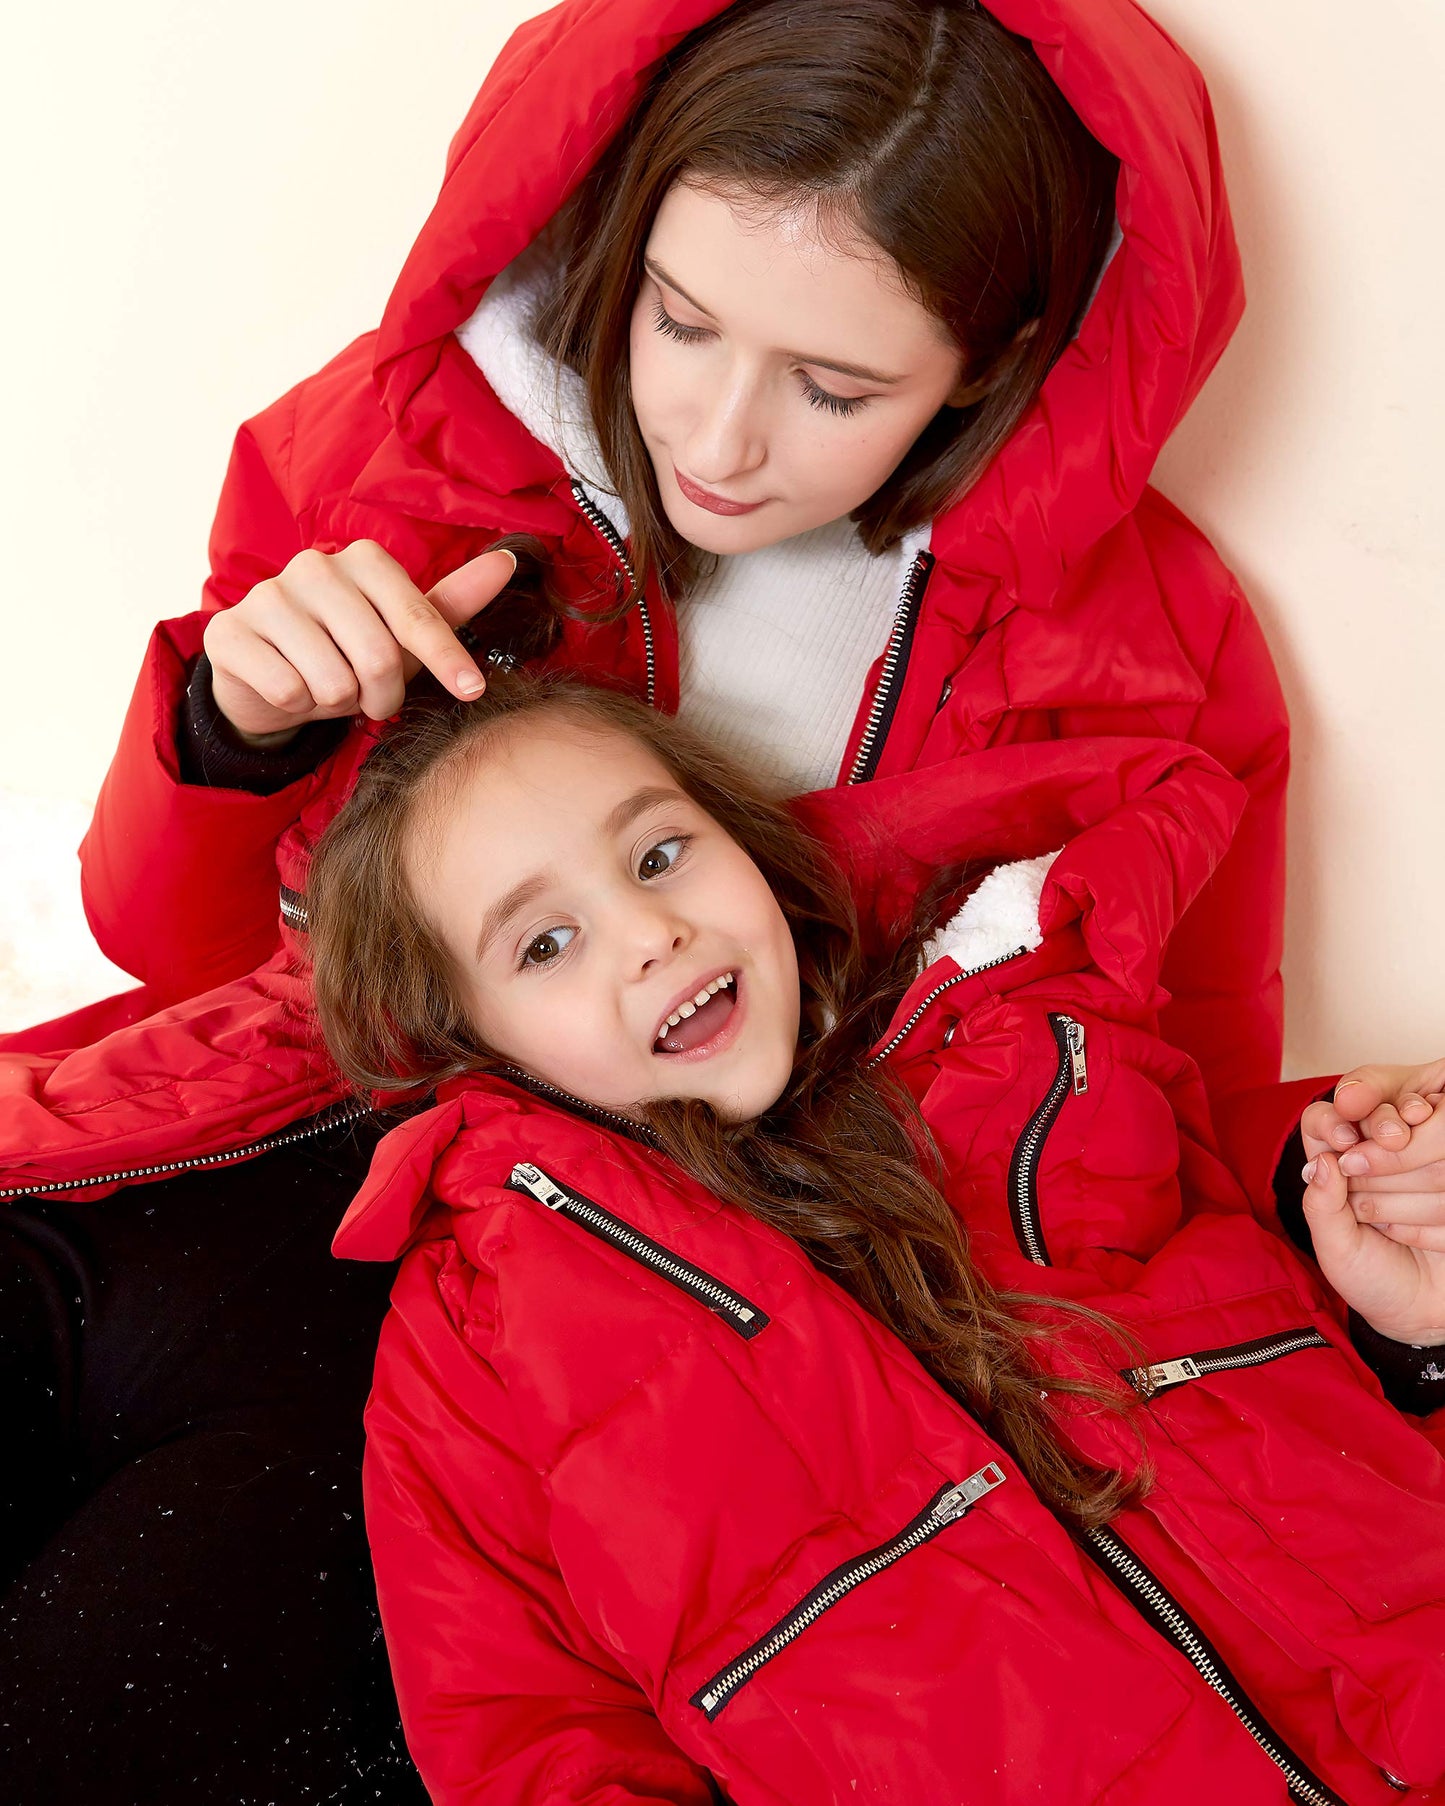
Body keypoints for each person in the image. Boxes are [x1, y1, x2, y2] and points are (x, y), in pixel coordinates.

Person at [3, 0, 1444, 1795]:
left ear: (995, 357)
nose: (721, 432)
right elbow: (159, 937)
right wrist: (224, 715)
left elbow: (1159, 1146)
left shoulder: (1144, 648)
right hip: (183, 1153)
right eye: (678, 318)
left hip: (544, 1329)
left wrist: (1373, 1243)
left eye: (837, 387)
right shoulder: (406, 430)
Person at [306, 666, 1445, 1803]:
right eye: (543, 946)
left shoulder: (1049, 1042)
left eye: (658, 857)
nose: (650, 934)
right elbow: (529, 1743)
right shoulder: (479, 1343)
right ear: (472, 1039)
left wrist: (1414, 1335)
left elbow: (1297, 1375)